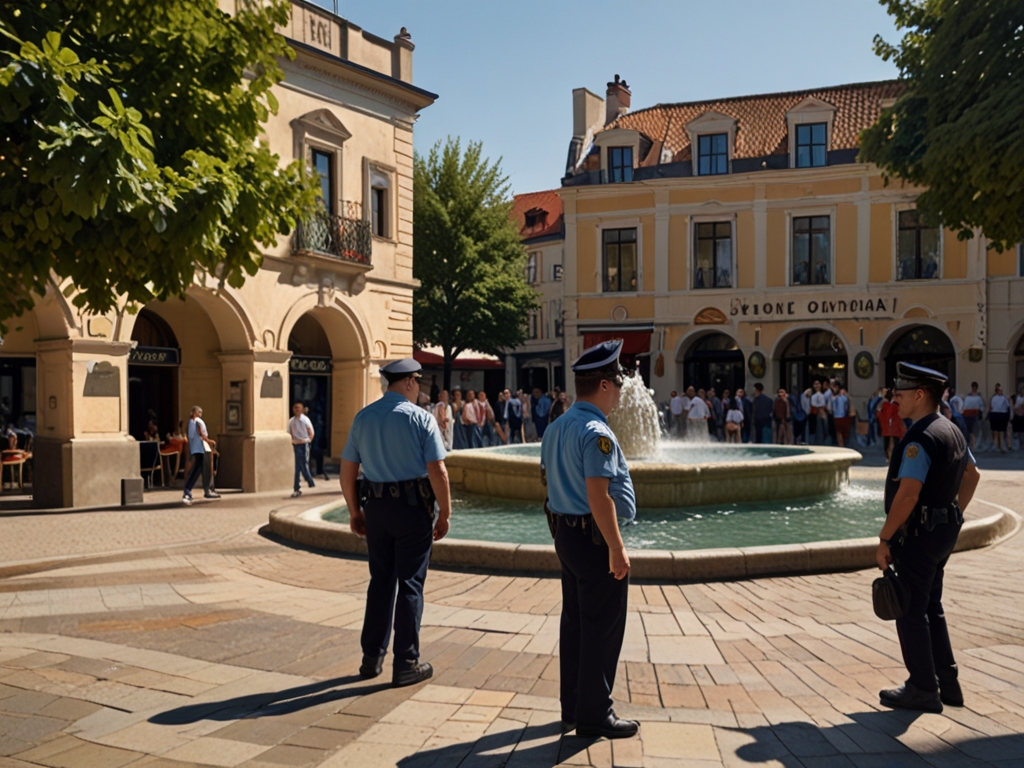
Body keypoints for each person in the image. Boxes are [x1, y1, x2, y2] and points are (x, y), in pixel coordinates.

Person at [541, 339, 639, 739]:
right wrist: (616, 547)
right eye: (616, 383)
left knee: (576, 623)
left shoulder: (557, 426)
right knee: (602, 625)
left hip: (567, 534)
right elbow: (599, 497)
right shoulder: (596, 432)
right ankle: (596, 714)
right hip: (595, 540)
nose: (618, 391)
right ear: (602, 385)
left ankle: (573, 706)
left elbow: (548, 485)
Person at [340, 358, 451, 689]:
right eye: (417, 382)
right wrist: (445, 513)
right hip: (412, 509)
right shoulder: (420, 418)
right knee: (411, 583)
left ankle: (371, 657)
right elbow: (438, 471)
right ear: (410, 383)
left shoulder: (364, 417)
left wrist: (353, 512)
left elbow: (348, 471)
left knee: (381, 581)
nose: (419, 389)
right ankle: (406, 662)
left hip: (375, 508)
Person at [876, 362, 981, 713]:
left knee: (909, 609)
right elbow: (973, 475)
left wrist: (885, 539)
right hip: (943, 532)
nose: (895, 400)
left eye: (900, 394)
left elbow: (908, 495)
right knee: (931, 606)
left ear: (920, 395)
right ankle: (948, 684)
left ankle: (922, 688)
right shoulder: (951, 430)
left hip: (919, 535)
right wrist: (953, 512)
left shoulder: (919, 437)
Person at [182, 406, 219, 504]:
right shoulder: (198, 422)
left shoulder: (189, 423)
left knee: (197, 468)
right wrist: (210, 441)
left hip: (195, 448)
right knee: (206, 469)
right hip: (202, 448)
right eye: (199, 412)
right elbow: (202, 434)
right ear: (195, 412)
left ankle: (188, 489)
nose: (201, 413)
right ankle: (207, 490)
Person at [288, 402, 316, 498]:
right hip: (296, 445)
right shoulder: (291, 421)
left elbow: (311, 431)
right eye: (295, 408)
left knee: (303, 464)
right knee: (297, 467)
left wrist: (309, 440)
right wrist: (293, 440)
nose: (297, 410)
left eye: (299, 408)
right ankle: (297, 487)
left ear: (302, 409)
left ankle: (310, 481)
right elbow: (290, 432)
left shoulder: (305, 420)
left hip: (304, 444)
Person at [879, 389, 906, 461]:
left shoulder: (886, 404)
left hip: (891, 426)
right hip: (893, 426)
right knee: (893, 441)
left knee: (890, 441)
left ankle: (890, 457)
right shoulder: (891, 405)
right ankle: (892, 457)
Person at [988, 384, 1011, 453]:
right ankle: (997, 445)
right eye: (1000, 390)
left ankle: (1001, 446)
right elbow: (1007, 406)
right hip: (998, 414)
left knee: (1000, 431)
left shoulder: (1002, 398)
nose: (1001, 391)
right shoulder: (997, 398)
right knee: (996, 431)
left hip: (999, 414)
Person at [961, 382, 985, 452]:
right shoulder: (968, 397)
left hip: (974, 415)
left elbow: (982, 407)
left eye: (975, 388)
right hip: (967, 415)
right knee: (969, 431)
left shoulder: (978, 397)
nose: (974, 389)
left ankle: (973, 445)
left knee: (973, 431)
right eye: (973, 388)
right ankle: (971, 444)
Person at [810, 381, 828, 445]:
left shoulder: (823, 395)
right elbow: (814, 406)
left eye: (818, 384)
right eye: (815, 384)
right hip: (818, 415)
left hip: (824, 414)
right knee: (819, 431)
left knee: (825, 430)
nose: (817, 385)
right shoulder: (813, 396)